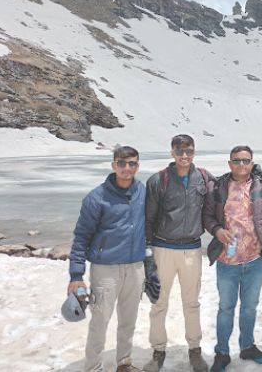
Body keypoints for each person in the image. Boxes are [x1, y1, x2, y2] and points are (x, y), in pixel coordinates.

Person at [68, 146, 146, 372]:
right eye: (122, 163)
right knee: (100, 322)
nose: (127, 168)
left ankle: (124, 363)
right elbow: (81, 237)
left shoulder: (142, 191)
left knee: (129, 320)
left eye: (132, 163)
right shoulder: (96, 197)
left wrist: (149, 264)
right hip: (105, 269)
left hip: (135, 267)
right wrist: (76, 275)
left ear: (137, 166)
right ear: (114, 165)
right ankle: (94, 367)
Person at [203, 145, 262, 372]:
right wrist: (216, 230)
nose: (241, 165)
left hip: (255, 261)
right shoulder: (217, 187)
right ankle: (222, 352)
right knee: (226, 308)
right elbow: (207, 216)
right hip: (227, 261)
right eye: (236, 160)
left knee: (249, 307)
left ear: (252, 163)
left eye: (246, 160)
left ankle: (247, 346)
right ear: (229, 163)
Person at [143, 134, 213, 372]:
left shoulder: (203, 178)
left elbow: (224, 195)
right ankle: (158, 351)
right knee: (159, 303)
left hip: (192, 249)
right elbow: (149, 218)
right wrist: (148, 254)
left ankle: (195, 350)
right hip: (163, 248)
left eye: (189, 151)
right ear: (172, 152)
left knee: (191, 303)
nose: (185, 156)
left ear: (194, 152)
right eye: (180, 151)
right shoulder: (158, 180)